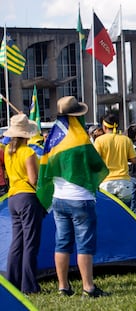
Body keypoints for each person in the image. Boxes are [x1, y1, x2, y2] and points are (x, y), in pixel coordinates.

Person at [40, 96, 110, 297]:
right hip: (80, 199)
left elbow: (47, 168)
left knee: (62, 242)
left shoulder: (53, 139)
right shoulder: (81, 139)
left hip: (59, 199)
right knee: (84, 243)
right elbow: (96, 166)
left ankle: (63, 287)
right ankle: (88, 287)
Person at [4, 114, 44, 294]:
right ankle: (29, 285)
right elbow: (34, 179)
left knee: (17, 242)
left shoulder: (7, 150)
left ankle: (12, 282)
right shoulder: (28, 152)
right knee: (30, 243)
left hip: (12, 197)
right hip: (27, 198)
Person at [94, 113, 136, 207]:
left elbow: (95, 161)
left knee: (108, 214)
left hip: (106, 182)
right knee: (125, 214)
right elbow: (134, 160)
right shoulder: (126, 140)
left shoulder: (99, 140)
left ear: (104, 126)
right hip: (124, 181)